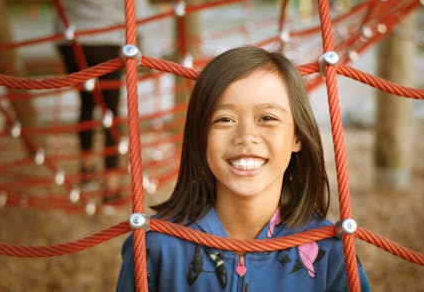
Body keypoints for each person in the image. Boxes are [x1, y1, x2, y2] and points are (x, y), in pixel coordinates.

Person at [116, 46, 370, 291]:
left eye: (267, 118)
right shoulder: (157, 245)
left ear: (297, 136)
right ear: (200, 137)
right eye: (224, 119)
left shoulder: (330, 252)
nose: (246, 136)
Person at [0, 0, 155, 201]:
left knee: (87, 103)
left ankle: (87, 168)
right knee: (110, 109)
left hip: (73, 40)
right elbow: (140, 8)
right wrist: (149, 49)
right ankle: (111, 182)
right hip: (109, 39)